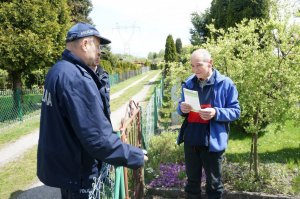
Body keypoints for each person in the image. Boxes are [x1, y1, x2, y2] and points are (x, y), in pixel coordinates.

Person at [37, 22, 147, 199]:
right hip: (78, 170)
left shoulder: (57, 71)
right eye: (97, 45)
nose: (99, 51)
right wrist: (135, 156)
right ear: (85, 44)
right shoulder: (76, 78)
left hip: (65, 167)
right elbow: (97, 138)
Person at [177, 49, 240, 199]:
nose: (195, 70)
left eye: (198, 65)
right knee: (192, 184)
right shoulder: (188, 83)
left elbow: (236, 111)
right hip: (191, 140)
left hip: (212, 142)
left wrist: (216, 112)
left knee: (214, 185)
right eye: (192, 66)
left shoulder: (226, 84)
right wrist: (182, 108)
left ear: (210, 63)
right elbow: (181, 106)